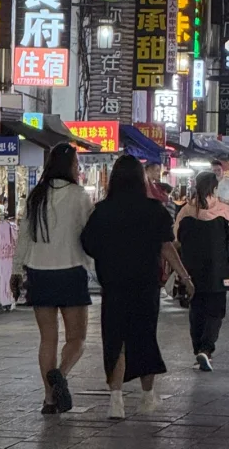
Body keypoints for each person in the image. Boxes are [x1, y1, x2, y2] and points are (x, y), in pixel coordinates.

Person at [81, 154, 195, 420]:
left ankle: (116, 401)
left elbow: (88, 243)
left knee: (115, 340)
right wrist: (185, 277)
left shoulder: (102, 211)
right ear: (141, 179)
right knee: (144, 337)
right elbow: (167, 247)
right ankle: (147, 397)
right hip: (145, 285)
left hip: (113, 285)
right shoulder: (154, 210)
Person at [10, 143, 93, 416]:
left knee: (48, 339)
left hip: (39, 272)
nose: (79, 168)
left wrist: (17, 270)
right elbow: (89, 235)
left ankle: (48, 399)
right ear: (69, 166)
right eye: (77, 164)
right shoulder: (80, 196)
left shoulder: (36, 196)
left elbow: (23, 235)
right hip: (71, 271)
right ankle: (61, 373)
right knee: (77, 338)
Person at [177, 171, 229, 371]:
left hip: (191, 271)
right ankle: (206, 349)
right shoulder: (224, 211)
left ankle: (198, 350)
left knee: (197, 310)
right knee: (215, 312)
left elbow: (176, 239)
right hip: (218, 271)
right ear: (215, 189)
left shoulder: (185, 211)